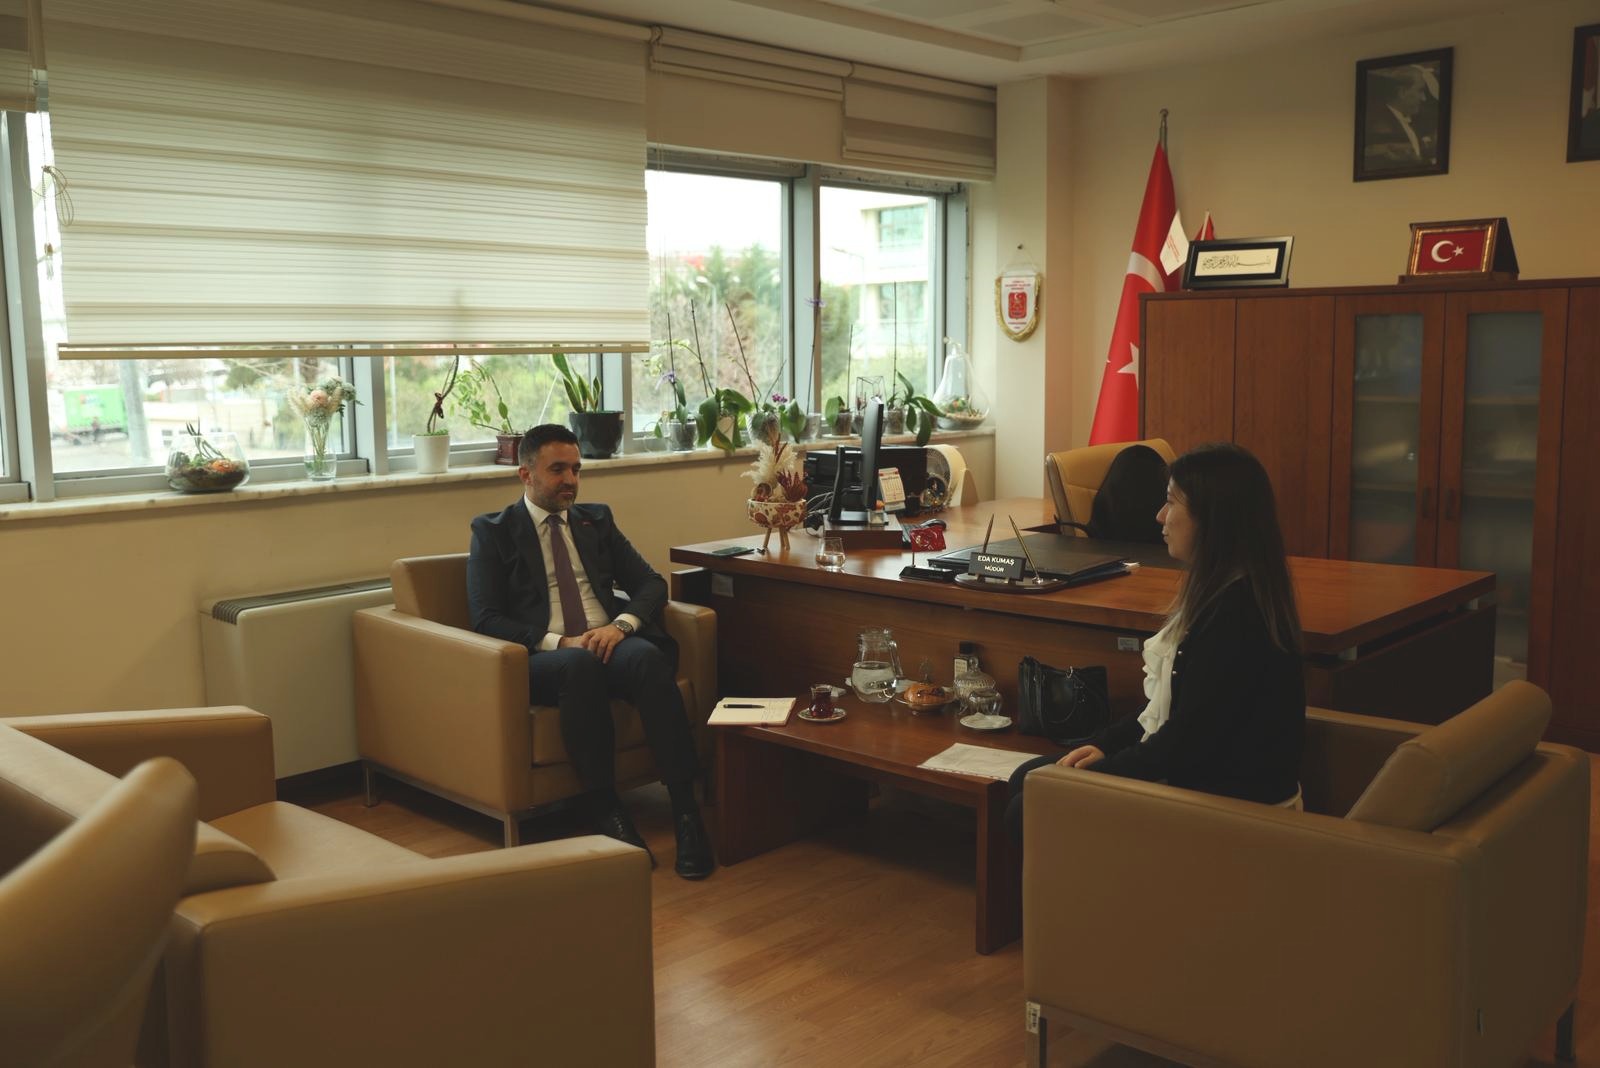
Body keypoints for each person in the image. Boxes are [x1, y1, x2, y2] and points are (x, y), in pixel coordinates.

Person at [1005, 442, 1306, 843]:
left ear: (1212, 518)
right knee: (1028, 777)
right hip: (1196, 777)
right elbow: (1170, 710)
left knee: (1030, 804)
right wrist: (1103, 745)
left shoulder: (1237, 614)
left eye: (1171, 502)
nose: (1159, 516)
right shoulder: (1225, 589)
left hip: (1227, 808)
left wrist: (1103, 771)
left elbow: (1186, 743)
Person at [466, 423, 714, 879]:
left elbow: (650, 583)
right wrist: (560, 642)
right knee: (578, 664)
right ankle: (606, 808)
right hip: (544, 657)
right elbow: (485, 618)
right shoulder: (493, 531)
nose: (571, 481)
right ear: (526, 474)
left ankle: (685, 810)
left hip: (605, 640)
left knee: (646, 657)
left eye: (576, 470)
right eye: (558, 470)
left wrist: (621, 627)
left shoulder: (595, 520)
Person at [1363, 64, 1439, 171]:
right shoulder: (1381, 127)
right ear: (1402, 92)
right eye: (1420, 91)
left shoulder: (1410, 120)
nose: (1423, 98)